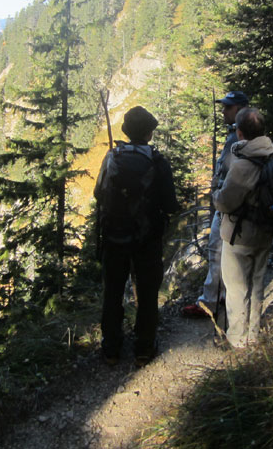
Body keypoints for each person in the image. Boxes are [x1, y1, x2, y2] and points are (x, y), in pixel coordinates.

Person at [94, 106, 178, 366]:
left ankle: (111, 349)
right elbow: (171, 204)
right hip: (146, 238)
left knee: (113, 291)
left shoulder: (112, 156)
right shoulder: (157, 161)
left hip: (113, 235)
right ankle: (143, 348)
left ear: (126, 131)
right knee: (147, 292)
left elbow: (99, 194)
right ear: (149, 133)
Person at [182, 90, 250, 320]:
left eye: (227, 107)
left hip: (228, 205)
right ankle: (219, 296)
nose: (223, 111)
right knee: (222, 251)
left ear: (239, 109)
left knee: (217, 250)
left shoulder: (239, 138)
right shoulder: (241, 134)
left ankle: (211, 302)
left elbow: (236, 174)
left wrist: (221, 196)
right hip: (232, 203)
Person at [212, 107, 273, 348]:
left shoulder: (242, 165)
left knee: (237, 287)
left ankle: (238, 340)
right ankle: (253, 334)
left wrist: (215, 192)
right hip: (266, 229)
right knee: (257, 283)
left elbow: (226, 201)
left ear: (239, 133)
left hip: (240, 233)